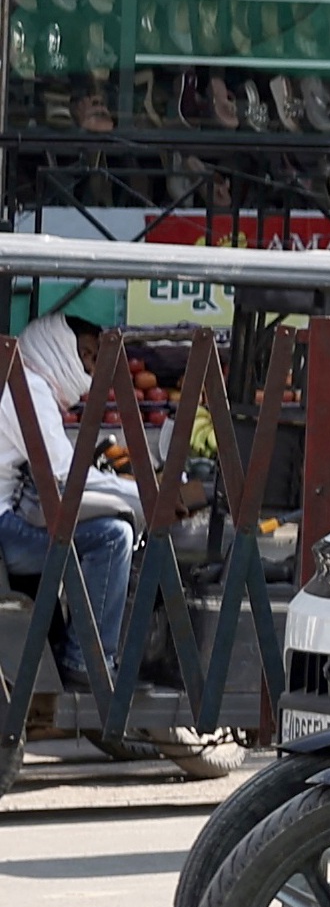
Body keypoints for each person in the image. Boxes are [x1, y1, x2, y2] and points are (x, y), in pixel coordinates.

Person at [5, 279, 170, 769]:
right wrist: (145, 496)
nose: (93, 368)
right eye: (89, 356)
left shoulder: (30, 385)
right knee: (112, 537)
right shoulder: (28, 392)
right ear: (60, 347)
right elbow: (63, 477)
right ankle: (86, 660)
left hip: (10, 515)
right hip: (5, 529)